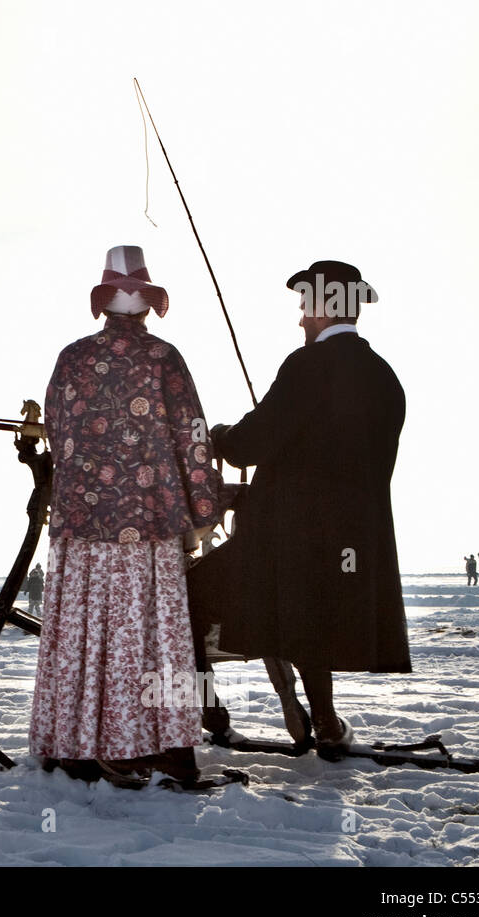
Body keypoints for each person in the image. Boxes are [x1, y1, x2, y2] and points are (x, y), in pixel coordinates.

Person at [190, 259, 409, 757]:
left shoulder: (307, 364)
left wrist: (220, 436)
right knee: (307, 620)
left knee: (182, 601)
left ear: (318, 306)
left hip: (282, 539)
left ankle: (210, 715)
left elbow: (250, 444)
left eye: (303, 306)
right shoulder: (384, 378)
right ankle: (328, 723)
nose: (299, 318)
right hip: (351, 544)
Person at [31, 245, 222, 786]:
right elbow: (194, 435)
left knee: (82, 635)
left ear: (106, 302)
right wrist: (203, 507)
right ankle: (154, 745)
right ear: (144, 305)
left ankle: (76, 744)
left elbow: (55, 430)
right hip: (150, 524)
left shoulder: (71, 358)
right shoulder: (165, 358)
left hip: (80, 525)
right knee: (151, 635)